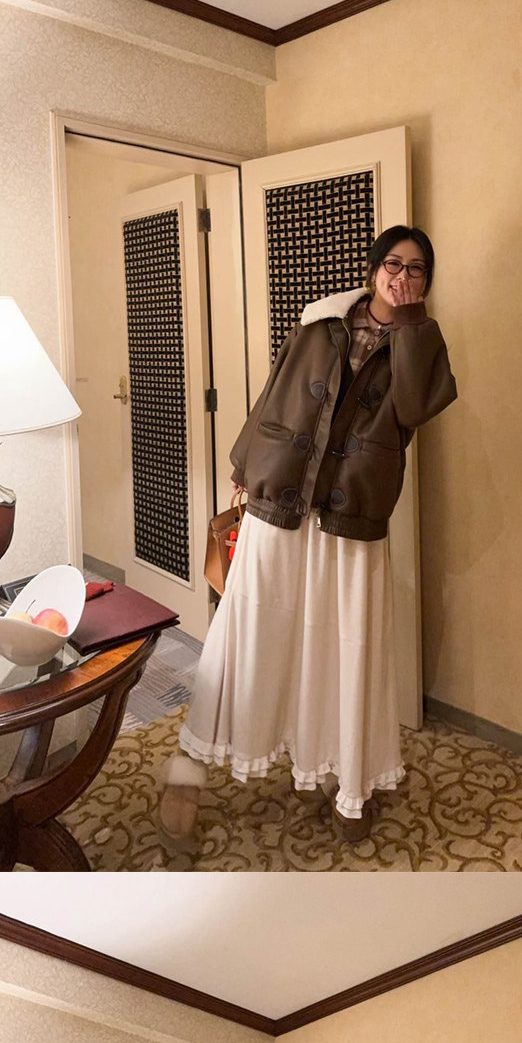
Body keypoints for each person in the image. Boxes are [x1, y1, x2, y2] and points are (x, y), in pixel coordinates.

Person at [159, 221, 456, 845]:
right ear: (373, 268)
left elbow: (412, 408)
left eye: (416, 269)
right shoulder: (321, 321)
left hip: (353, 514)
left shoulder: (423, 341)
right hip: (282, 500)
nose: (402, 277)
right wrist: (246, 466)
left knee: (344, 644)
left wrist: (410, 324)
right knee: (244, 633)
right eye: (393, 264)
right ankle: (187, 772)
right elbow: (277, 391)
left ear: (426, 282)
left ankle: (344, 781)